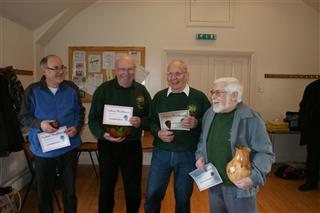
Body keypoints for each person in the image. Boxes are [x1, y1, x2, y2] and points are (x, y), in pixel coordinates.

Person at [195, 77, 275, 213]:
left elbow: (265, 153)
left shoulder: (251, 118)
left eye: (218, 93)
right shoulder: (210, 113)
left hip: (238, 186)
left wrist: (253, 178)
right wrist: (200, 156)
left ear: (234, 95)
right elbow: (203, 140)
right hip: (214, 182)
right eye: (212, 92)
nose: (213, 97)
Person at [19, 54, 84, 213]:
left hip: (68, 148)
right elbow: (23, 117)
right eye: (55, 68)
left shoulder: (71, 88)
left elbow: (79, 112)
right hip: (43, 151)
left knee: (69, 192)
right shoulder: (32, 91)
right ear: (44, 71)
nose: (60, 71)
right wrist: (40, 124)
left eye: (62, 67)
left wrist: (76, 127)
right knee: (44, 194)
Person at [144, 59, 211, 213]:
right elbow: (150, 121)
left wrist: (196, 123)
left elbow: (210, 121)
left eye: (178, 74)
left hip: (188, 155)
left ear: (186, 75)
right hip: (161, 153)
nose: (174, 78)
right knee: (153, 194)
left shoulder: (198, 97)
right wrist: (158, 133)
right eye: (170, 74)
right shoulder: (159, 97)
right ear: (167, 76)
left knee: (183, 198)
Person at [88, 55, 151, 213]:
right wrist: (103, 134)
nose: (126, 72)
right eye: (122, 69)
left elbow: (150, 117)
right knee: (107, 186)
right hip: (108, 145)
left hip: (132, 146)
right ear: (116, 70)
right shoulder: (103, 90)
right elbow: (93, 119)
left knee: (133, 186)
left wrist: (141, 122)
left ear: (134, 70)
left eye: (130, 69)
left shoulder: (141, 91)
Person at [298, 79, 320, 191]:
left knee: (313, 157)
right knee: (313, 157)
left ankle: (311, 182)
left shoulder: (312, 86)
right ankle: (311, 181)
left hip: (313, 130)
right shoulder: (313, 87)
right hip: (314, 130)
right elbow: (304, 107)